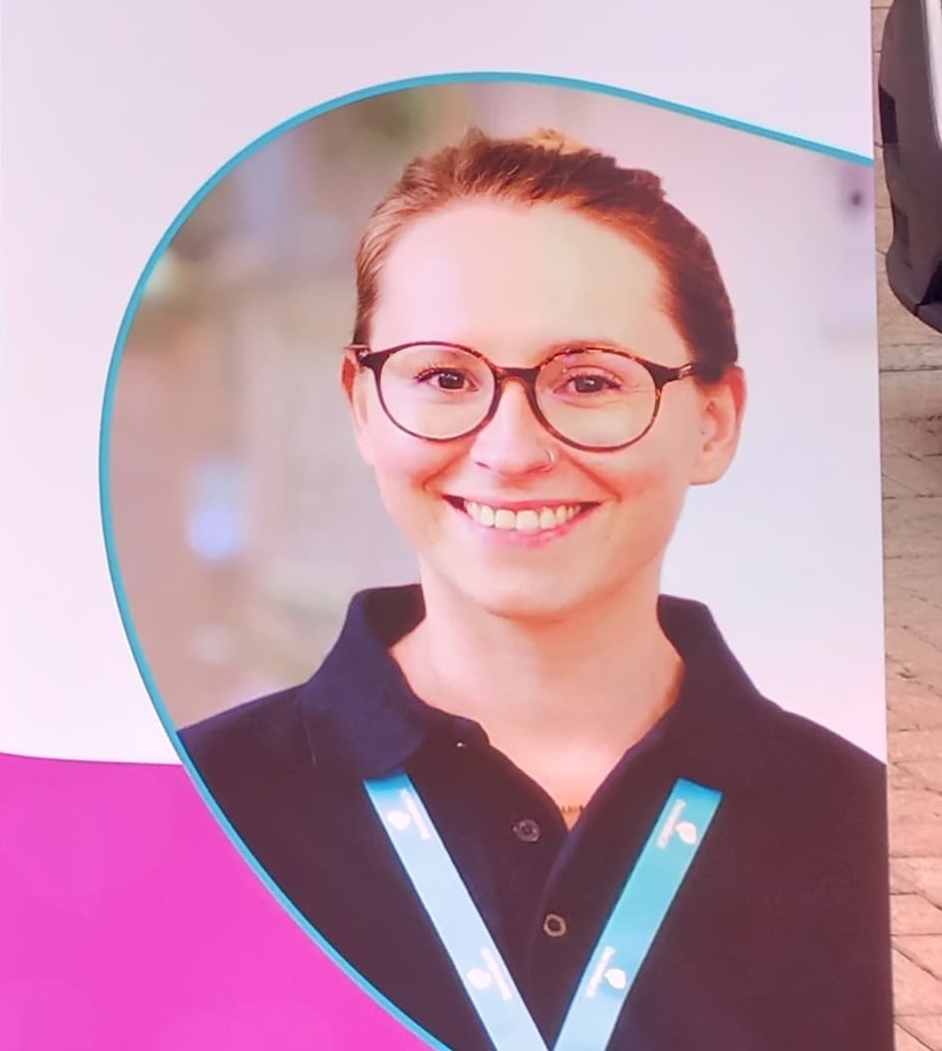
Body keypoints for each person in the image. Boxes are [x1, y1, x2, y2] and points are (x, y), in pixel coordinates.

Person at [184, 127, 889, 1049]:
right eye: (443, 375)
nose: (511, 451)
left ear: (714, 422)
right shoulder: (193, 810)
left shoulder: (850, 820)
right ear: (362, 402)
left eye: (589, 380)